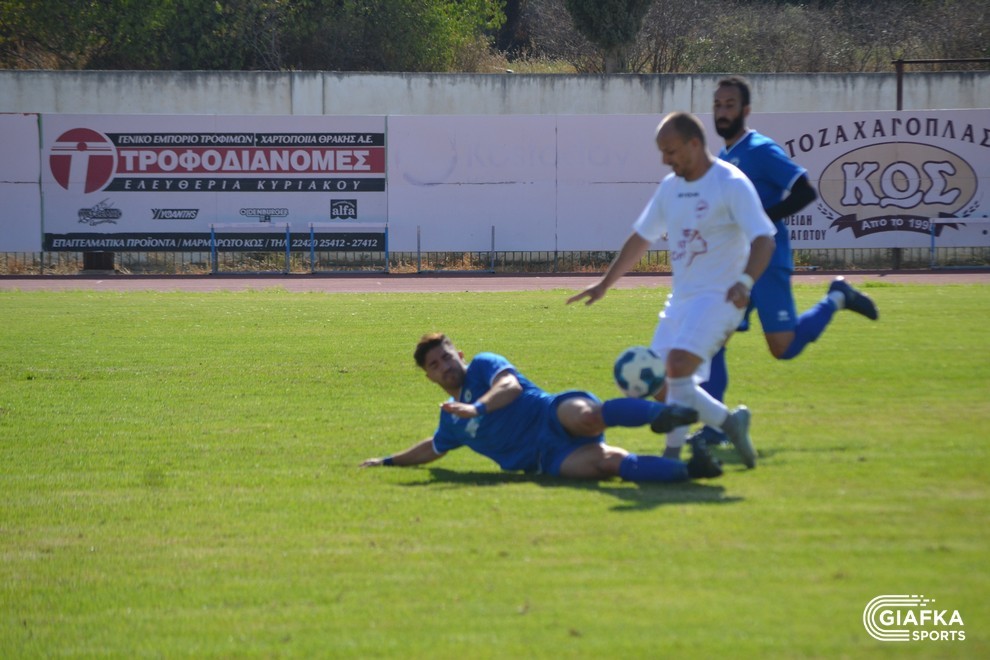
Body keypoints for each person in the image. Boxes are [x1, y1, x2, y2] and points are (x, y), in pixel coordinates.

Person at [567, 111, 777, 469]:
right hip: (680, 301)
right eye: (662, 152)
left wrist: (745, 283)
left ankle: (672, 457)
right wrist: (604, 284)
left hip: (722, 297)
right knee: (659, 385)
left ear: (694, 144)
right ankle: (729, 422)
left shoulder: (730, 183)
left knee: (678, 366)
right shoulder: (670, 187)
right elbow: (642, 237)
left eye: (671, 151)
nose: (666, 160)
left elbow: (764, 239)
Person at [692, 75, 879, 446]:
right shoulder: (725, 157)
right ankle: (715, 427)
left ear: (745, 110)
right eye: (717, 105)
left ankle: (837, 297)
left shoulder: (760, 149)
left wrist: (761, 220)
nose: (722, 112)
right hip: (736, 266)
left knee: (783, 347)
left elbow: (805, 191)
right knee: (713, 341)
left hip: (768, 261)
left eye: (730, 105)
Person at [360, 332, 723, 481]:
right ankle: (691, 471)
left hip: (551, 413)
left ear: (461, 354)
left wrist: (478, 409)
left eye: (447, 356)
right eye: (435, 365)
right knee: (608, 463)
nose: (445, 366)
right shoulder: (451, 419)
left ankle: (664, 414)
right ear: (430, 377)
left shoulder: (484, 365)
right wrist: (388, 461)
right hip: (544, 457)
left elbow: (510, 387)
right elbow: (433, 447)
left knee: (588, 416)